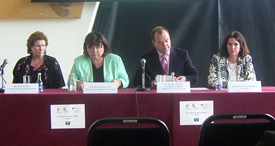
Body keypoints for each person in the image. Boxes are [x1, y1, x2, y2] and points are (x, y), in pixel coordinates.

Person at [133, 26, 199, 87]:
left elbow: (195, 76)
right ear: (154, 43)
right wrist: (151, 83)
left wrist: (185, 78)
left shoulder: (182, 54)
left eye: (166, 41)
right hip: (155, 96)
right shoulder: (146, 58)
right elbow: (136, 80)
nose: (165, 45)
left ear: (170, 39)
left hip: (177, 94)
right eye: (160, 42)